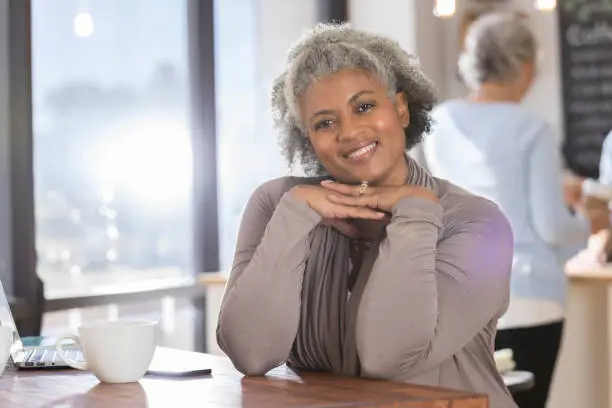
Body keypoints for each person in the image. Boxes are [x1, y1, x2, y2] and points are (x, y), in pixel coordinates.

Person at [216, 22, 517, 408]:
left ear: (401, 109)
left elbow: (388, 357)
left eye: (364, 107)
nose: (350, 131)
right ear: (308, 138)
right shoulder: (278, 203)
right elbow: (251, 353)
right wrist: (294, 216)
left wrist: (416, 212)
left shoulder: (479, 223)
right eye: (324, 122)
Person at [422, 11, 594, 408]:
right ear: (526, 66)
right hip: (528, 295)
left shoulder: (440, 122)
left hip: (459, 296)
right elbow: (551, 228)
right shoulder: (531, 128)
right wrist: (588, 222)